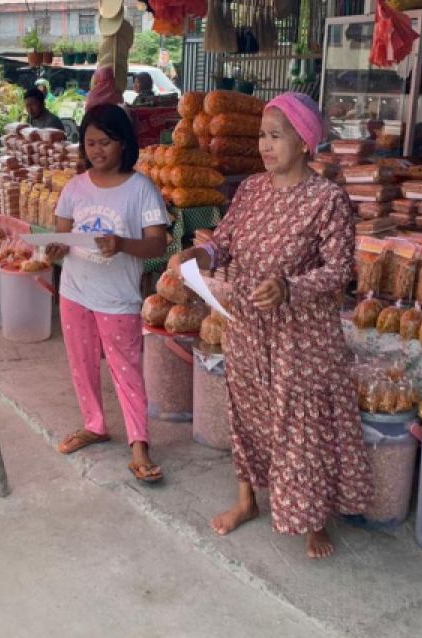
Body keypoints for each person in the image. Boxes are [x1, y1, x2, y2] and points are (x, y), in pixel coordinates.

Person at [168, 92, 371, 560]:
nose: (264, 144)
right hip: (247, 325)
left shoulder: (327, 200)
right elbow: (225, 243)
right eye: (262, 134)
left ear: (304, 142)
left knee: (300, 422)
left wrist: (289, 288)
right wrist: (198, 254)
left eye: (275, 136)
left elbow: (340, 270)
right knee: (247, 410)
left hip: (301, 337)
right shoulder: (252, 189)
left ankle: (312, 519)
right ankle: (247, 500)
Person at [45, 103, 169, 484]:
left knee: (126, 370)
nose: (97, 151)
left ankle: (139, 444)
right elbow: (62, 233)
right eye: (90, 142)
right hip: (75, 291)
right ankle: (94, 424)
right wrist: (54, 249)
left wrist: (122, 244)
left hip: (117, 298)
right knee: (81, 363)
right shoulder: (74, 187)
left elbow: (158, 245)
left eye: (106, 142)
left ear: (124, 144)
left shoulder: (142, 189)